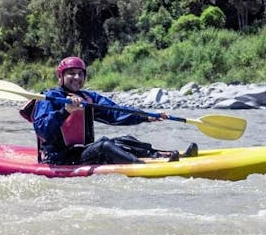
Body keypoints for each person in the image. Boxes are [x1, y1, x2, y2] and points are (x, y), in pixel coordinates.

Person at [28, 56, 196, 165]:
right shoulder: (50, 97)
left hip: (81, 151)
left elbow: (115, 112)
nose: (77, 77)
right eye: (71, 73)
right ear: (60, 77)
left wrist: (145, 117)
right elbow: (42, 129)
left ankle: (163, 156)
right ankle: (141, 167)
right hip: (59, 158)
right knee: (104, 146)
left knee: (126, 140)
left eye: (81, 74)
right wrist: (66, 111)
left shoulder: (88, 97)